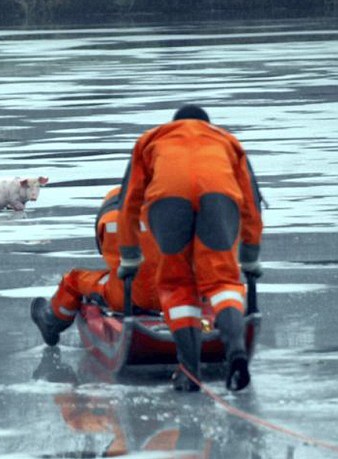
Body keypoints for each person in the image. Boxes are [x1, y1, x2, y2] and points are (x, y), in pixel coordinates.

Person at [116, 104, 264, 392]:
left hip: (168, 198)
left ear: (174, 123)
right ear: (207, 124)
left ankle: (190, 372)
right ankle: (235, 350)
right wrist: (250, 256)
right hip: (218, 194)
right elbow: (251, 202)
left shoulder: (151, 140)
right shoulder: (227, 141)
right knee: (222, 281)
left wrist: (130, 256)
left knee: (177, 284)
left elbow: (129, 201)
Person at [31, 185, 161, 347]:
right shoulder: (175, 208)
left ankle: (51, 321)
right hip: (178, 295)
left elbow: (104, 249)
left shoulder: (112, 210)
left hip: (124, 295)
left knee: (74, 281)